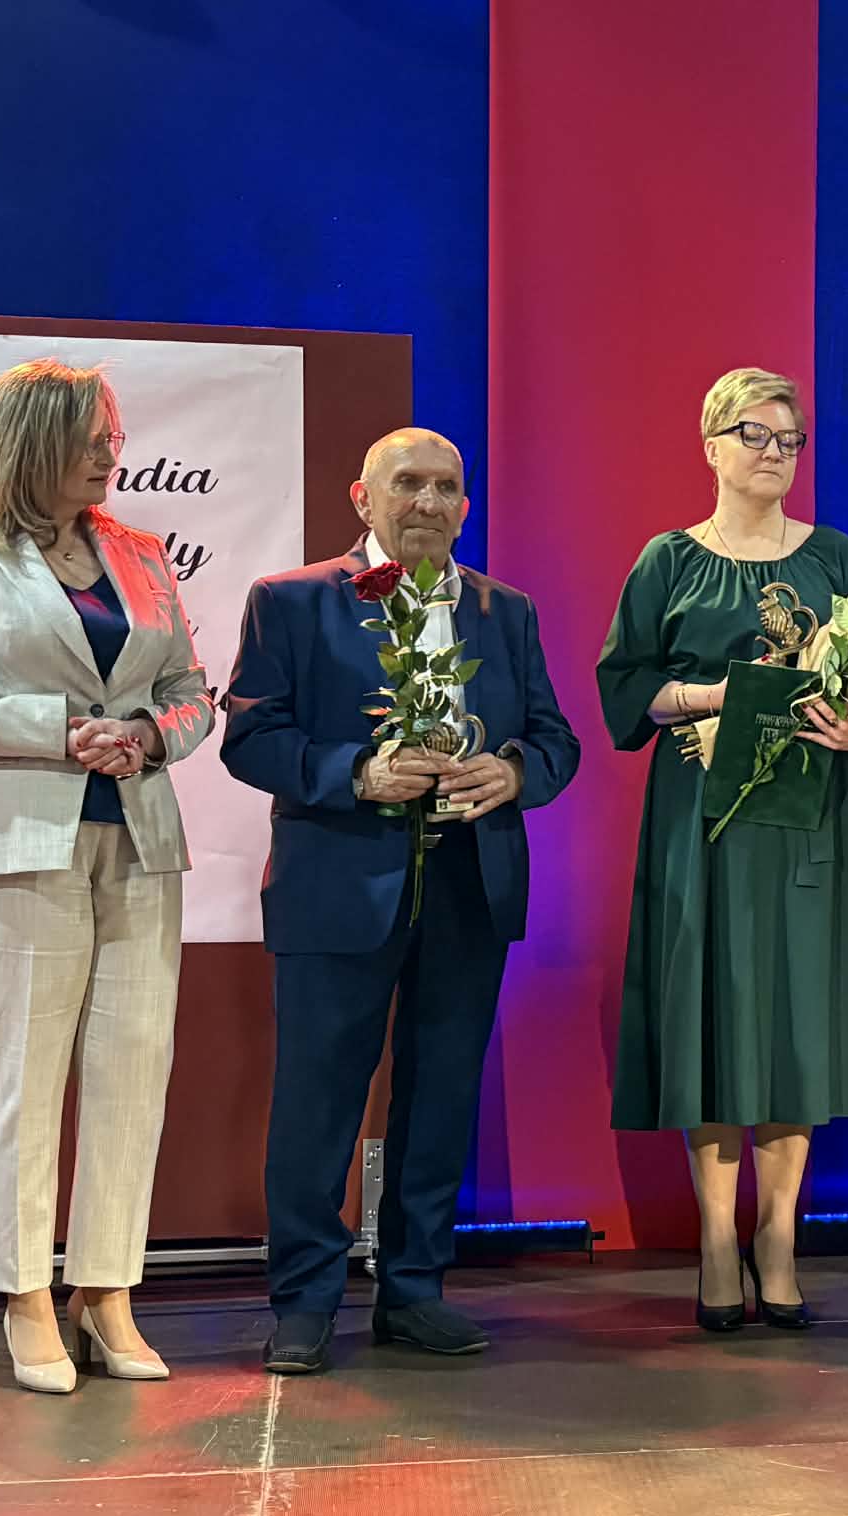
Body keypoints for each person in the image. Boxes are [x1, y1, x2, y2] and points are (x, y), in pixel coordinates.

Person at [0, 359, 215, 1392]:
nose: (112, 454)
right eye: (92, 439)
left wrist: (149, 734)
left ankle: (105, 1289)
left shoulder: (140, 551)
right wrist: (56, 731)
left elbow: (191, 690)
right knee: (23, 1075)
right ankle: (26, 1293)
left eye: (114, 436)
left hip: (139, 837)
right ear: (33, 443)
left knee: (132, 1070)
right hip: (15, 841)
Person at [221, 428, 580, 1374]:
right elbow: (251, 740)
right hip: (336, 886)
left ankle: (415, 1289)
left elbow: (557, 741)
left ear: (466, 506)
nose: (428, 502)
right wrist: (358, 772)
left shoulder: (507, 610)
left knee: (441, 1097)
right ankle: (305, 1301)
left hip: (470, 885)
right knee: (318, 1103)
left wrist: (513, 773)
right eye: (408, 483)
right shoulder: (290, 601)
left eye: (446, 487)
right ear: (363, 497)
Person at [597, 367, 848, 1332]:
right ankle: (717, 1242)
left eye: (789, 439)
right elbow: (624, 688)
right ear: (711, 446)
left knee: (795, 1020)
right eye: (754, 435)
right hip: (703, 821)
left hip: (809, 815)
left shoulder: (835, 556)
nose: (774, 452)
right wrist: (717, 696)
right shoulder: (670, 560)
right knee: (714, 1015)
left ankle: (778, 1237)